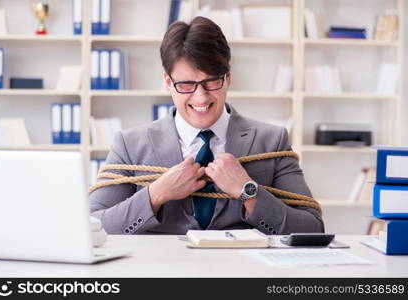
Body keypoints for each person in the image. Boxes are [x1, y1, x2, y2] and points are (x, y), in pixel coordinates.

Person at [90, 16, 324, 235]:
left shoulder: (272, 141)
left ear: (228, 77)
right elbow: (93, 226)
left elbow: (312, 228)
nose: (201, 98)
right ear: (167, 83)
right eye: (186, 84)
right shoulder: (130, 145)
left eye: (211, 82)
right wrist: (156, 194)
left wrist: (248, 192)